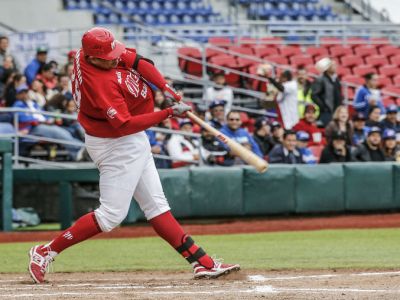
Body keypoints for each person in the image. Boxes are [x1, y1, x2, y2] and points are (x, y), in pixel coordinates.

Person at [28, 27, 239, 284]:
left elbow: (137, 61)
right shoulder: (100, 83)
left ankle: (202, 263)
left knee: (157, 207)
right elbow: (125, 124)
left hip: (127, 139)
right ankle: (44, 252)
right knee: (111, 216)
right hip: (115, 143)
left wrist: (165, 87)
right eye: (108, 56)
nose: (116, 57)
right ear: (93, 57)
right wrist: (168, 113)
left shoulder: (88, 53)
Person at [12, 84, 84, 160]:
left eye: (26, 92)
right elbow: (21, 118)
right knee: (57, 132)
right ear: (17, 95)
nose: (24, 95)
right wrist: (39, 121)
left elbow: (42, 114)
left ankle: (79, 151)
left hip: (42, 125)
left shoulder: (33, 104)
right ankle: (79, 149)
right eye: (22, 93)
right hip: (31, 128)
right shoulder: (17, 105)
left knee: (65, 131)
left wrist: (49, 119)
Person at [311, 58, 343, 126]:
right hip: (326, 112)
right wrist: (324, 107)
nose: (335, 67)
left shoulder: (336, 79)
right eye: (333, 65)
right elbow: (314, 95)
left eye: (335, 65)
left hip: (336, 111)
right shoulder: (320, 79)